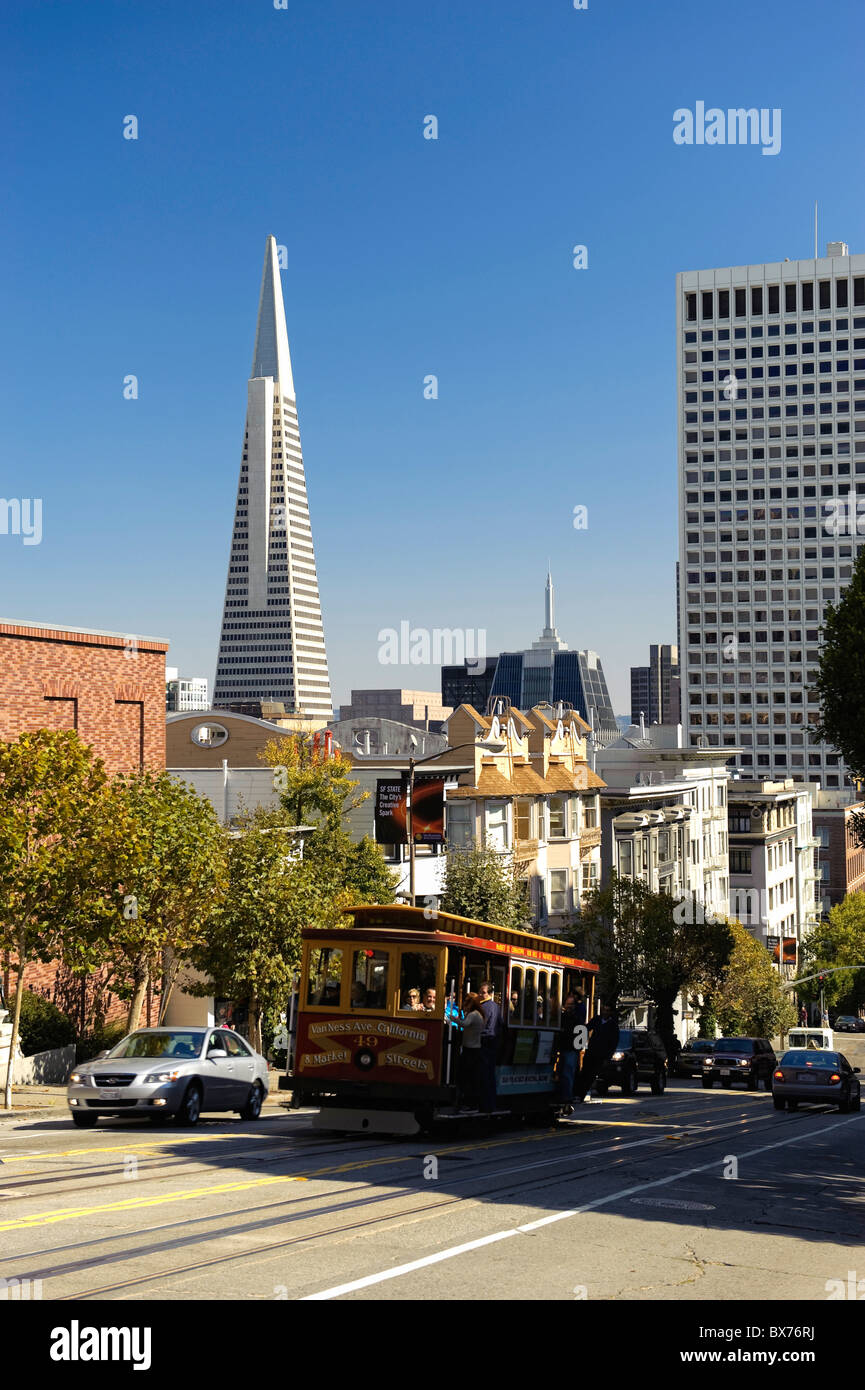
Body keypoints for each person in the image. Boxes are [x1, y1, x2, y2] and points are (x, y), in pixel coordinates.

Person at [573, 1002, 620, 1104]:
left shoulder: (613, 1025)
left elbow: (613, 1043)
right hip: (591, 1052)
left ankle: (581, 1095)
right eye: (604, 1010)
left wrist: (608, 1057)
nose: (605, 1012)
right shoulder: (597, 1020)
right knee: (584, 1073)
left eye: (608, 1010)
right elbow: (586, 1028)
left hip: (601, 1055)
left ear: (611, 1012)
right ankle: (576, 1093)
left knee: (591, 1076)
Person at [478, 980, 503, 1112]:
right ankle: (491, 1104)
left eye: (484, 993)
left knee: (483, 1074)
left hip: (485, 1041)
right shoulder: (496, 1007)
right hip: (493, 1042)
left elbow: (481, 1024)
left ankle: (485, 1104)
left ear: (490, 994)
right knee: (490, 1074)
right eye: (480, 992)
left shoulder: (485, 1007)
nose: (481, 995)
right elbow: (501, 1024)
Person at [458, 993, 484, 1109]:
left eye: (466, 1002)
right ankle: (472, 1102)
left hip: (470, 1050)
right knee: (472, 1077)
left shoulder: (473, 1015)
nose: (464, 1004)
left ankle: (469, 1103)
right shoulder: (479, 1014)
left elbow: (465, 1024)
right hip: (475, 1049)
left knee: (467, 1077)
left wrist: (453, 1018)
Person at [558, 993, 581, 1109]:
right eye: (568, 1004)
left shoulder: (577, 1019)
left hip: (571, 1050)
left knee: (567, 1073)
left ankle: (566, 1097)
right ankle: (561, 1094)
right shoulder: (560, 1017)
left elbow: (580, 1036)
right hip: (561, 1048)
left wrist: (576, 1049)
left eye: (571, 1004)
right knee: (560, 1073)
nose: (569, 1006)